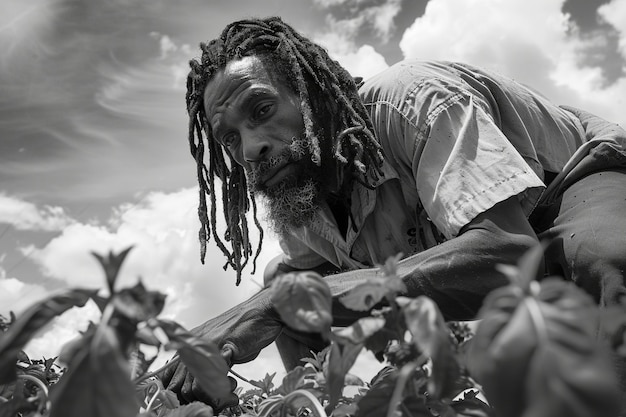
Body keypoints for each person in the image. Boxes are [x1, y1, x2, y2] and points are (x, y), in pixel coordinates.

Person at [161, 16, 626, 406]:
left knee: (601, 256)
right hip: (511, 247)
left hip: (572, 180)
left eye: (261, 110)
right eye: (230, 139)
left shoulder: (412, 104)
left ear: (313, 98)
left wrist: (276, 307)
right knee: (282, 282)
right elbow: (288, 291)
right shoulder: (299, 194)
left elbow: (506, 251)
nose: (251, 148)